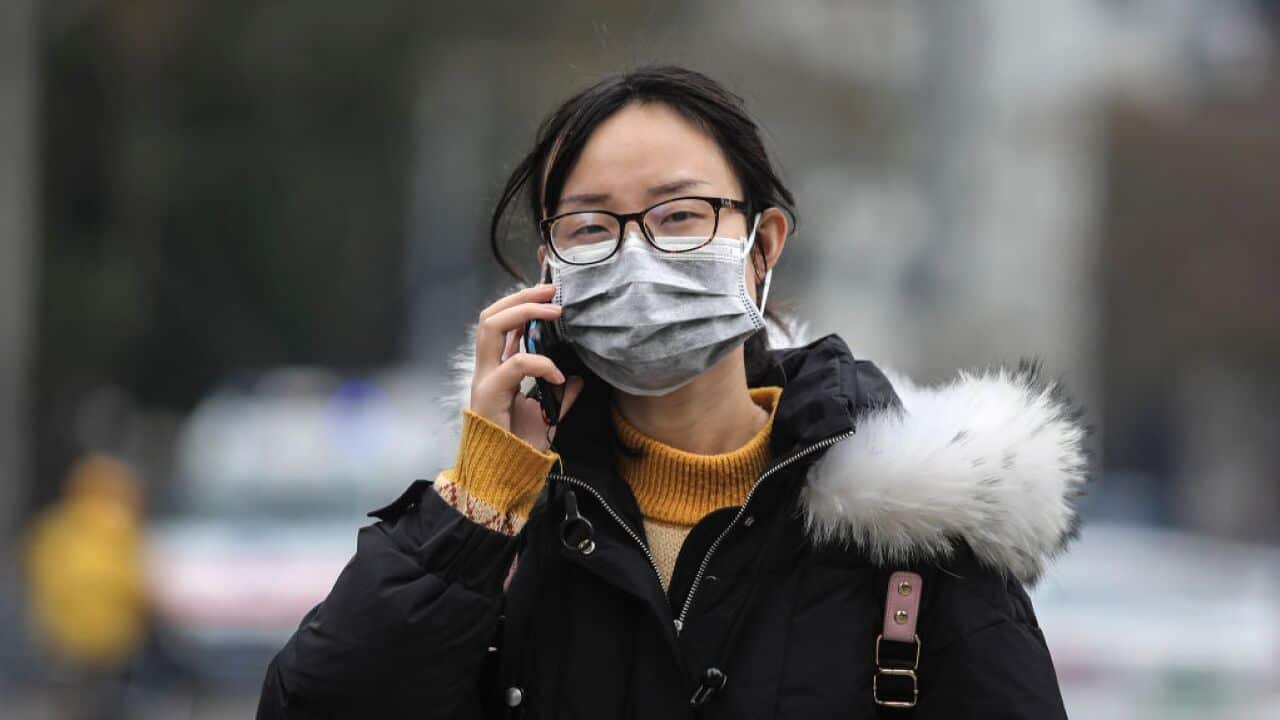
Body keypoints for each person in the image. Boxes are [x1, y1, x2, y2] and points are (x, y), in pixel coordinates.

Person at [257, 65, 1088, 719]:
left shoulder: (912, 543)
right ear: (549, 275)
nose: (636, 257)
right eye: (589, 227)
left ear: (763, 245)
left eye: (680, 215)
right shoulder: (504, 536)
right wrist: (479, 504)